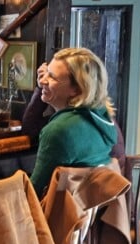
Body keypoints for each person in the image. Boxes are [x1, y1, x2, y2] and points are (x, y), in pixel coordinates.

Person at [28, 47, 120, 196]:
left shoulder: (59, 130)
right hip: (89, 216)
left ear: (77, 89)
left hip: (55, 218)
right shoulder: (102, 119)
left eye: (52, 77)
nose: (43, 80)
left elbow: (33, 192)